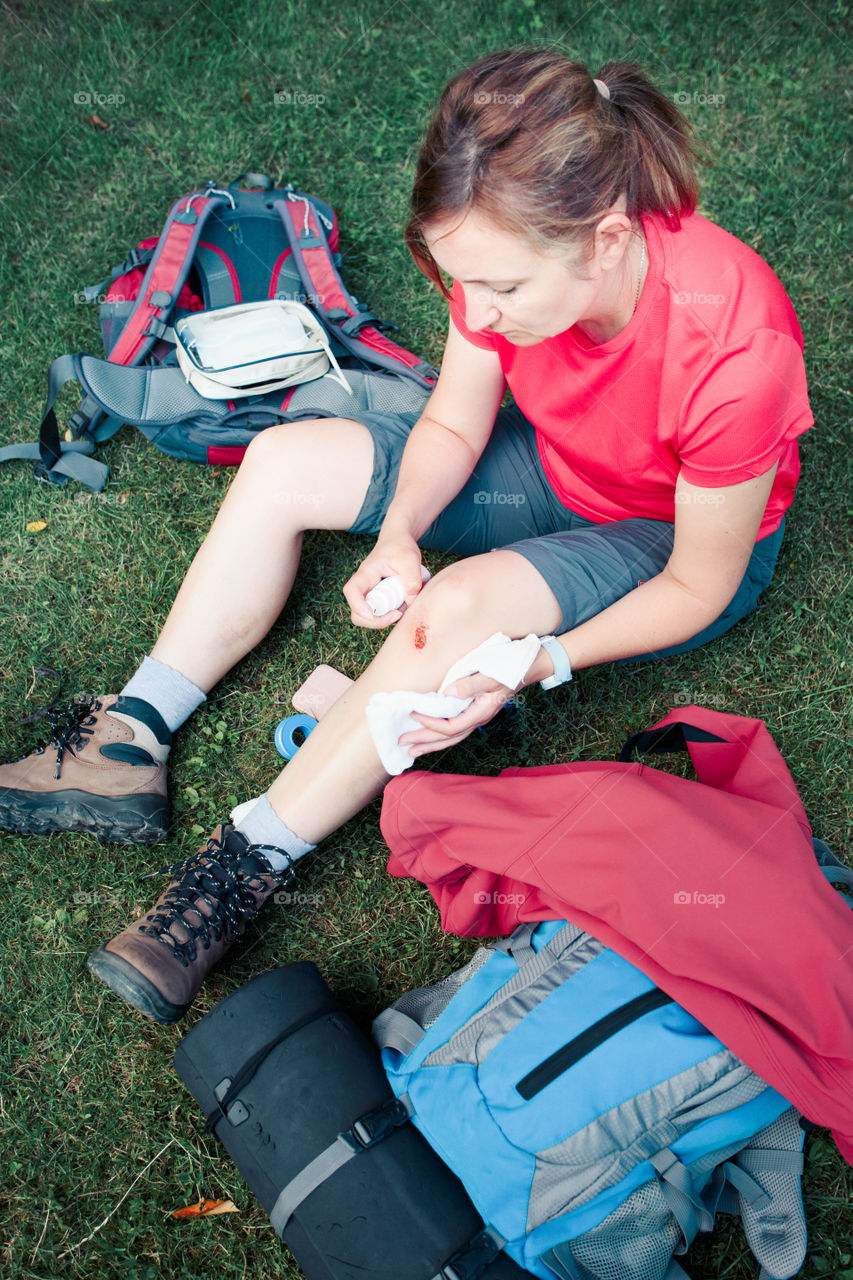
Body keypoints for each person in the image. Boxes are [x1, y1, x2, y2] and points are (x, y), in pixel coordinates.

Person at [0, 49, 813, 1024]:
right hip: (550, 461)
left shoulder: (734, 350)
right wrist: (397, 534)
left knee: (454, 612)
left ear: (604, 241)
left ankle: (248, 857)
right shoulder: (500, 258)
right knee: (283, 460)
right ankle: (130, 732)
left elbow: (699, 582)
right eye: (463, 281)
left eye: (501, 289)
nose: (479, 311)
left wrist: (540, 657)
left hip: (659, 533)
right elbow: (456, 423)